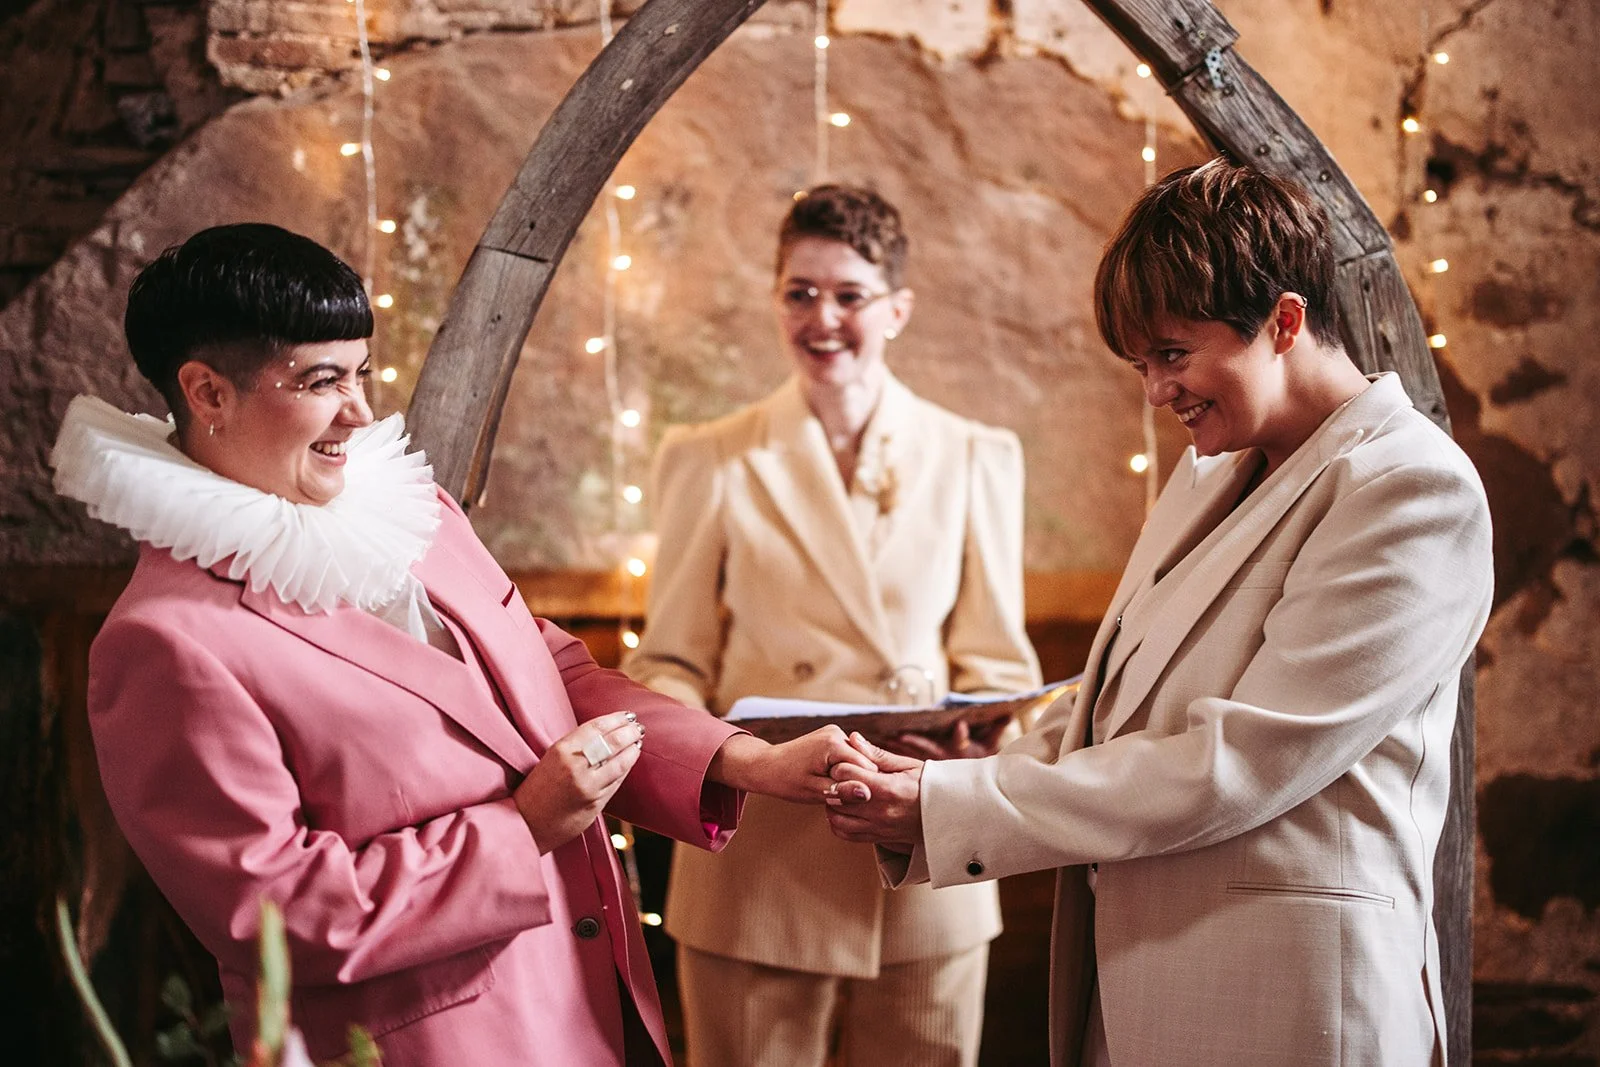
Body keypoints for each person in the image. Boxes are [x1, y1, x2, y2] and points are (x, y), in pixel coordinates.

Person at [50, 223, 872, 1067]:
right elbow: (277, 912)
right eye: (322, 380)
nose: (361, 412)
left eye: (362, 373)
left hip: (589, 1003)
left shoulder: (418, 512)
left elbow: (551, 676)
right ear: (207, 392)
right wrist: (522, 828)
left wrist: (744, 764)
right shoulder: (162, 643)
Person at [825, 159, 1494, 1066]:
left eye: (1173, 355)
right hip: (1144, 986)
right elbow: (1120, 704)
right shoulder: (1209, 476)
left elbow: (1241, 762)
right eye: (1142, 363)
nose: (1155, 391)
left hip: (1298, 1003)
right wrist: (955, 769)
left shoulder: (1410, 487)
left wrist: (956, 807)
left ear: (1285, 321)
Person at [623, 184, 1041, 1067]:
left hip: (926, 847)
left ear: (897, 309)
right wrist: (733, 757)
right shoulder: (711, 457)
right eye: (800, 292)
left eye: (849, 295)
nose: (823, 318)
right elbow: (670, 662)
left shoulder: (976, 456)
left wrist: (979, 746)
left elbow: (999, 661)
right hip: (759, 856)